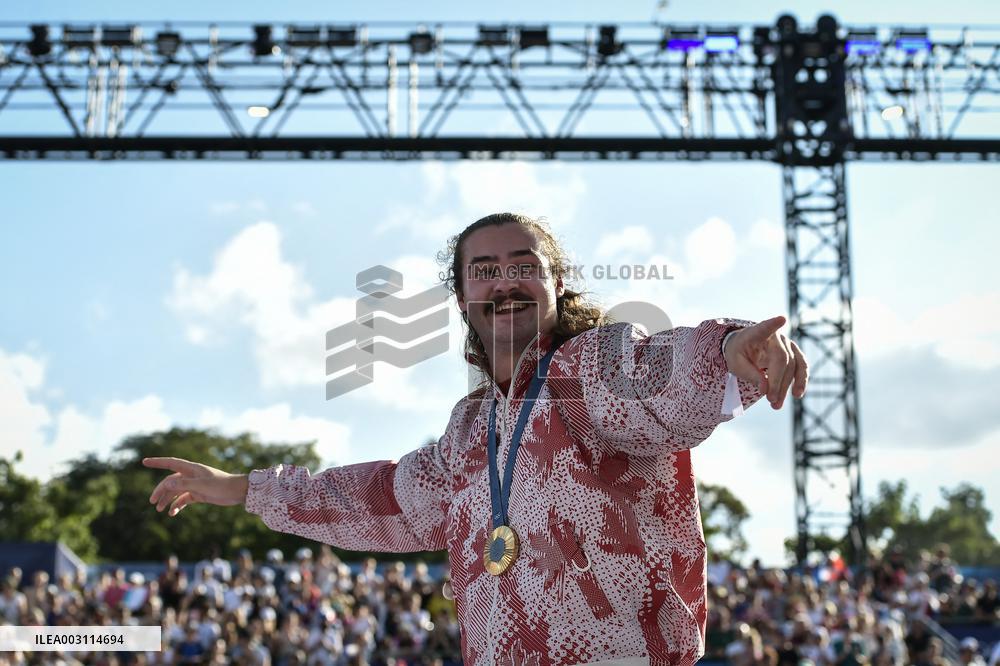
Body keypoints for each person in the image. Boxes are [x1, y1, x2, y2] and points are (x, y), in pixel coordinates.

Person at [144, 212, 809, 665]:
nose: (505, 280)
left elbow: (659, 376)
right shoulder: (468, 432)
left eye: (524, 265)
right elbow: (386, 499)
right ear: (461, 296)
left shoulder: (589, 371)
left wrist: (727, 350)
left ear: (555, 286)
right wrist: (246, 489)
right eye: (484, 270)